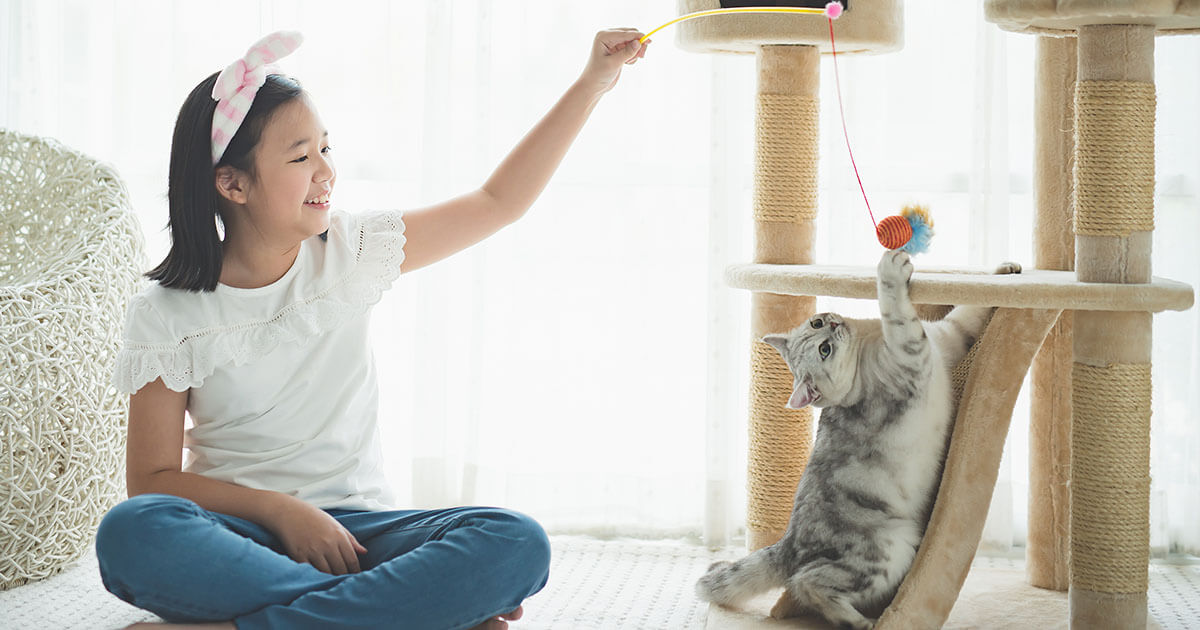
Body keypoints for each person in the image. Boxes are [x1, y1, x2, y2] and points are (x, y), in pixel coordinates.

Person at [95, 27, 649, 630]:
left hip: (360, 533)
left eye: (326, 148)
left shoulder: (353, 251)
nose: (326, 172)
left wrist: (593, 83)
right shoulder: (167, 311)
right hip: (236, 534)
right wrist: (280, 511)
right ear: (233, 184)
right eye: (300, 156)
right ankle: (405, 611)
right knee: (132, 533)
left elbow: (498, 201)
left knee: (515, 540)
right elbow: (151, 480)